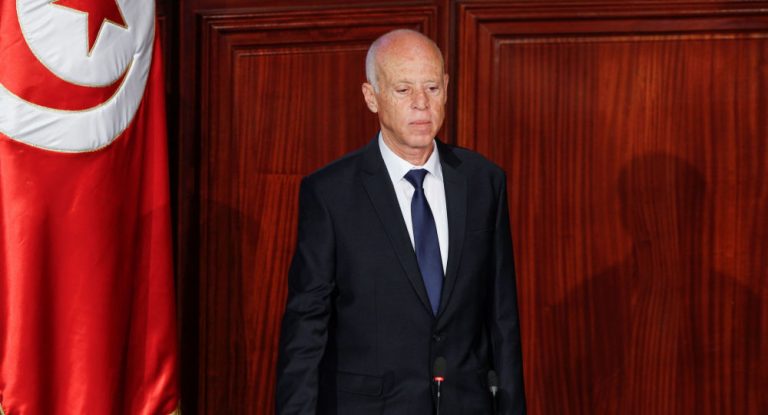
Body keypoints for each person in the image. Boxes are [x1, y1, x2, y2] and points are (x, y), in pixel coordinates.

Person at [276, 29, 527, 414]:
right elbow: (306, 326)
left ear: (446, 88)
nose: (421, 104)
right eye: (403, 90)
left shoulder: (483, 181)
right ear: (371, 97)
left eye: (432, 88)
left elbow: (502, 317)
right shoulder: (330, 193)